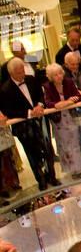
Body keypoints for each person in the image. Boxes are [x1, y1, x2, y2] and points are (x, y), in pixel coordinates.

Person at [0, 56, 55, 189]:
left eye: (23, 70)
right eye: (19, 73)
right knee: (32, 154)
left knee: (48, 149)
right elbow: (8, 111)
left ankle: (51, 176)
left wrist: (40, 106)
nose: (23, 74)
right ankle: (40, 180)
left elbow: (41, 96)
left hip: (40, 120)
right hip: (23, 127)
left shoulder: (31, 80)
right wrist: (30, 113)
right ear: (11, 73)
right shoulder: (5, 89)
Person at [42, 62, 81, 177]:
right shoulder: (48, 87)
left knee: (75, 143)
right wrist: (67, 102)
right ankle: (72, 169)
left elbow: (78, 96)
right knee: (64, 145)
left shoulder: (68, 82)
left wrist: (66, 103)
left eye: (60, 73)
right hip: (59, 121)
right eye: (55, 75)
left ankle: (79, 169)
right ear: (51, 77)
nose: (59, 76)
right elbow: (50, 104)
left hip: (71, 117)